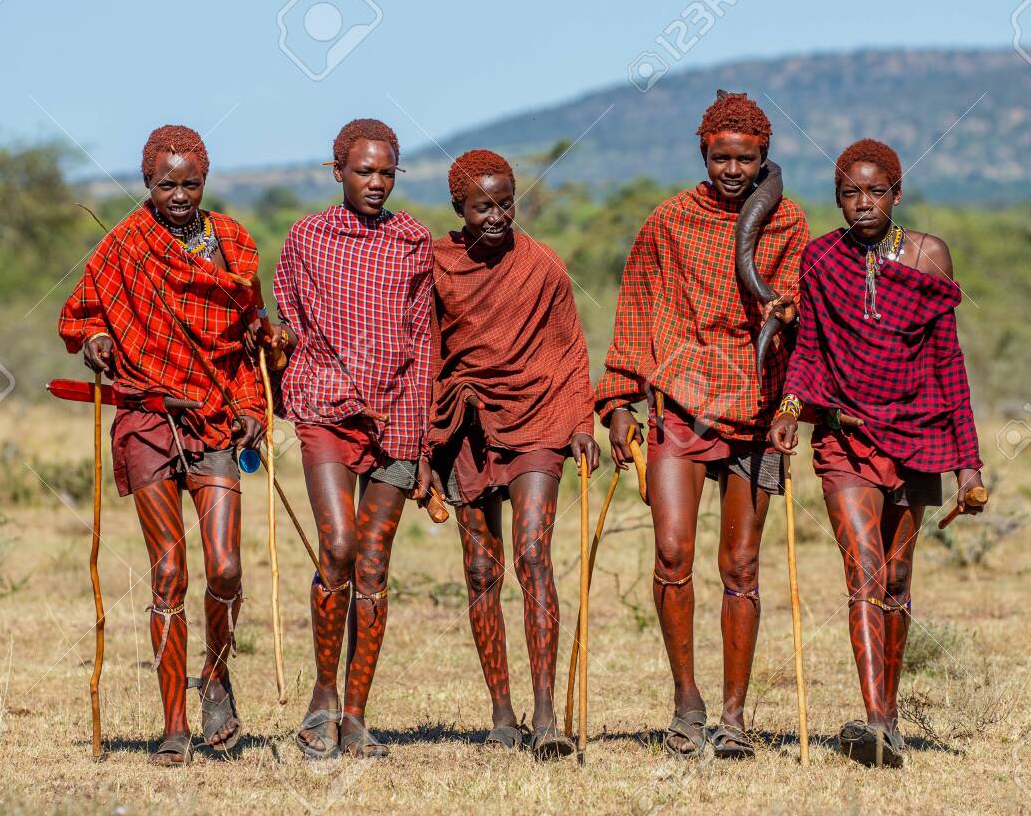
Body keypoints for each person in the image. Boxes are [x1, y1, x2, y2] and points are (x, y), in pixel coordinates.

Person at [59, 124, 282, 766]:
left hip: (215, 420)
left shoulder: (233, 242)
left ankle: (216, 676)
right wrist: (98, 340)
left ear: (204, 181)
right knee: (167, 571)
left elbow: (249, 335)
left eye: (190, 184)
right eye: (165, 184)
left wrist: (249, 407)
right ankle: (175, 726)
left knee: (227, 567)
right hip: (149, 418)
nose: (179, 195)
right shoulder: (123, 245)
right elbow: (83, 313)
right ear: (146, 184)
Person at [597, 92, 809, 758]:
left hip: (757, 404)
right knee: (672, 553)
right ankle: (687, 701)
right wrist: (617, 401)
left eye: (746, 159)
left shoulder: (788, 224)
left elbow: (805, 310)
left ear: (763, 158)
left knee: (741, 564)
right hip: (679, 403)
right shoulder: (668, 222)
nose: (732, 170)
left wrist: (791, 404)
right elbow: (635, 304)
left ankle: (735, 717)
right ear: (703, 154)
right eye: (721, 157)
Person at [769, 138, 986, 768]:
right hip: (844, 435)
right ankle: (875, 724)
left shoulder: (928, 255)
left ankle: (887, 711)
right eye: (848, 193)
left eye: (874, 191)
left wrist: (967, 460)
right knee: (862, 569)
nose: (861, 204)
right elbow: (808, 350)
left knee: (896, 576)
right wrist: (789, 409)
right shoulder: (819, 258)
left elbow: (948, 359)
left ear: (896, 193)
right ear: (836, 198)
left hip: (919, 434)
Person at [427, 149, 598, 759]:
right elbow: (425, 348)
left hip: (540, 417)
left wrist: (582, 420)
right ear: (459, 209)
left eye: (506, 203)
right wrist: (424, 442)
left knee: (532, 557)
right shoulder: (438, 265)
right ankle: (502, 711)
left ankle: (547, 715)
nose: (497, 216)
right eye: (483, 206)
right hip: (465, 424)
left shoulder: (541, 265)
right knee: (481, 571)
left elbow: (571, 346)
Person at [273, 118, 434, 759]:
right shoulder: (307, 238)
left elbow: (425, 342)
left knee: (373, 567)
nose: (376, 182)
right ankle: (322, 697)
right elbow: (286, 315)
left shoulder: (413, 240)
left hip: (397, 417)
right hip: (324, 408)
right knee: (337, 547)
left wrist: (420, 444)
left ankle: (357, 714)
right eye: (364, 171)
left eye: (387, 172)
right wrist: (277, 340)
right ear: (336, 170)